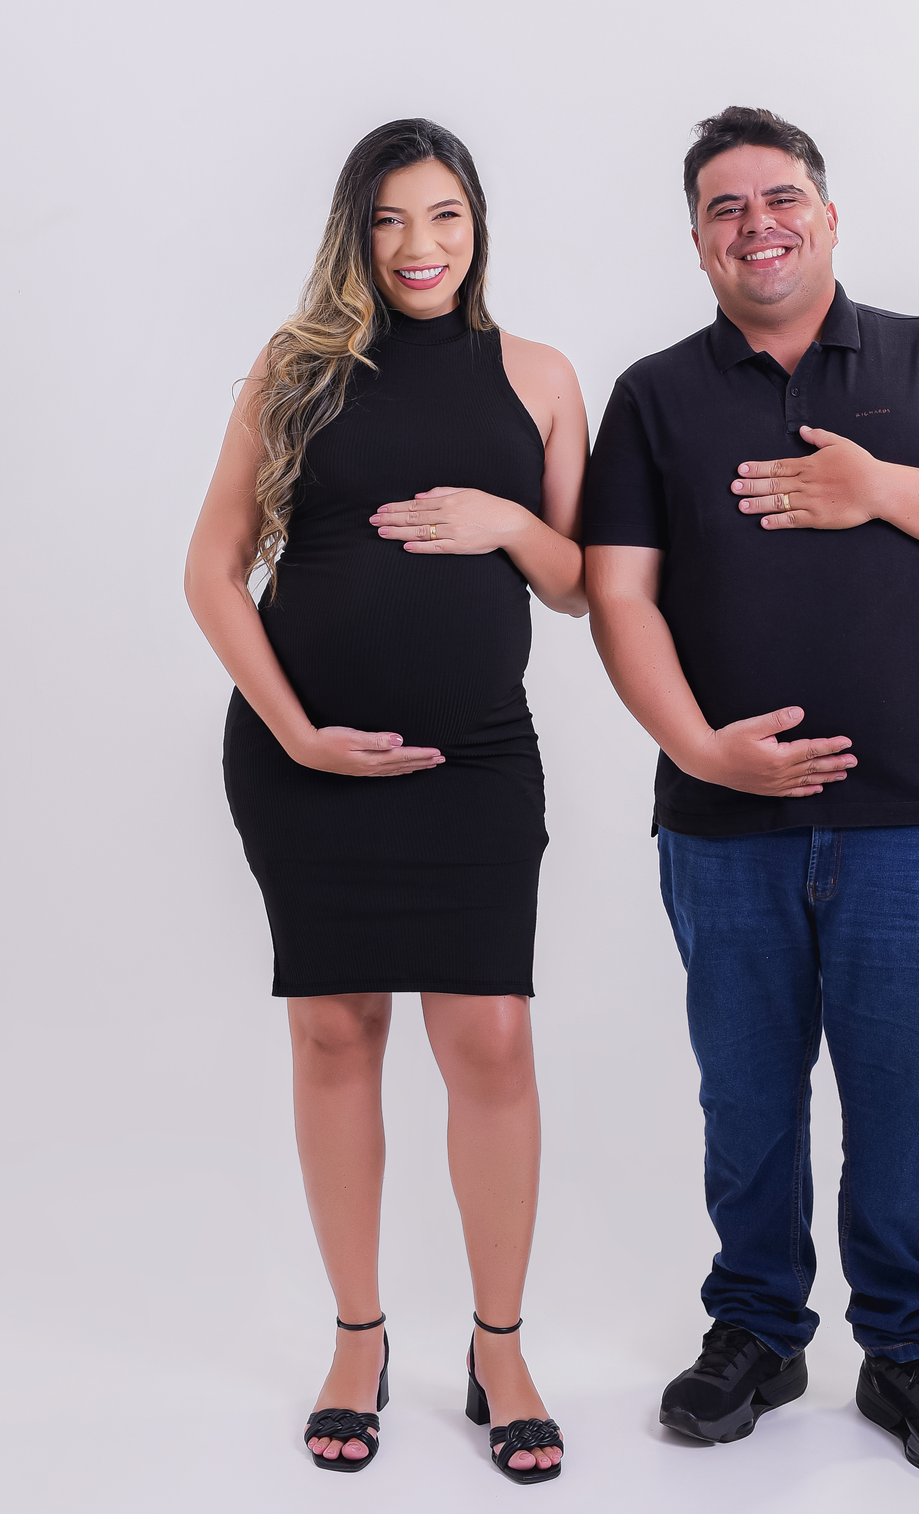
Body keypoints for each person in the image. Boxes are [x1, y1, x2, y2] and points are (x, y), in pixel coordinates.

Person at [583, 106, 919, 1483]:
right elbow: (617, 595)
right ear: (697, 243)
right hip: (726, 823)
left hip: (918, 816)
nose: (758, 224)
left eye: (781, 197)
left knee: (904, 1100)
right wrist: (700, 749)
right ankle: (757, 1331)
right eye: (726, 208)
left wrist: (879, 487)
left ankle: (907, 1351)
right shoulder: (655, 395)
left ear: (829, 215)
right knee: (746, 1098)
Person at [185, 118, 587, 1483]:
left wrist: (511, 524)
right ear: (354, 233)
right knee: (334, 1032)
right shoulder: (295, 370)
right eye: (390, 219)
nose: (420, 246)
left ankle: (499, 1348)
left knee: (492, 1042)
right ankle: (357, 1340)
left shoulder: (539, 376)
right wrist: (296, 734)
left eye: (445, 216)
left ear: (479, 226)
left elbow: (581, 582)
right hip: (304, 762)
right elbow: (211, 572)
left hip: (476, 760)